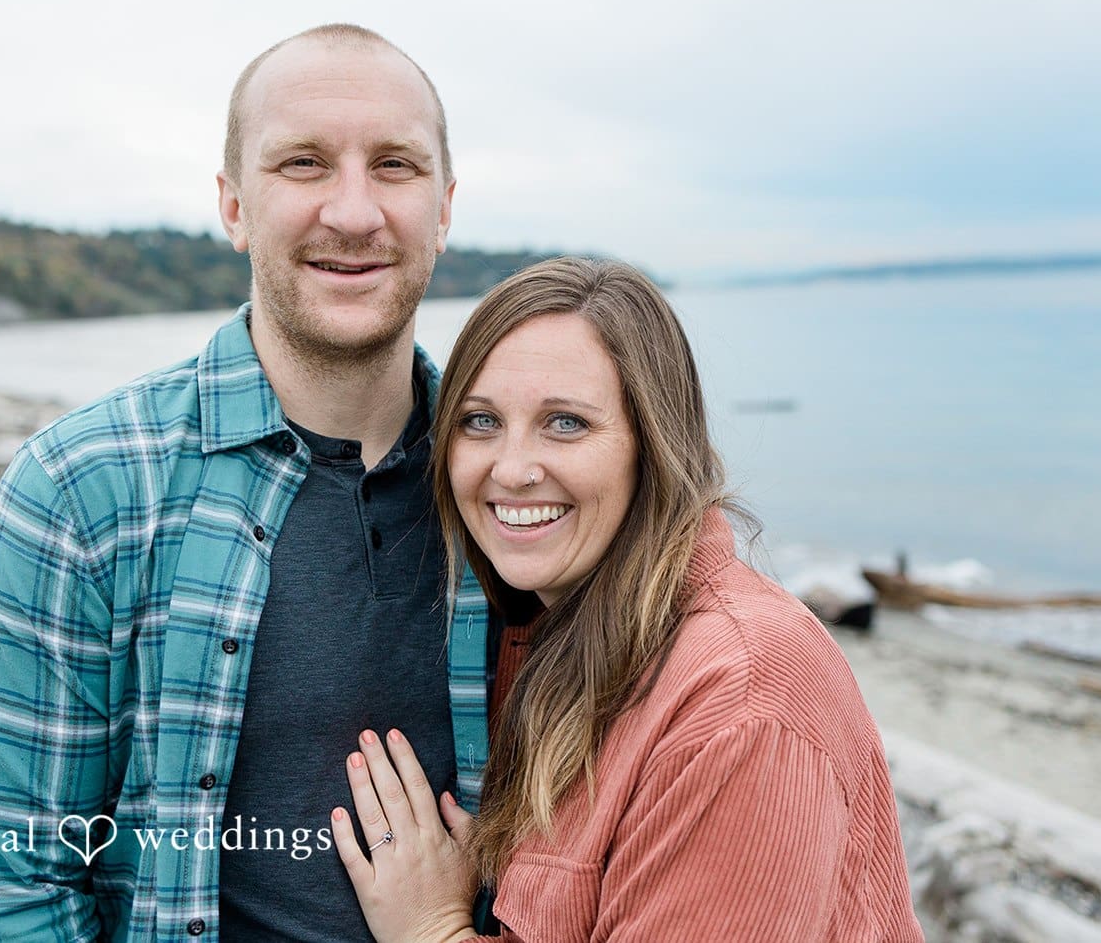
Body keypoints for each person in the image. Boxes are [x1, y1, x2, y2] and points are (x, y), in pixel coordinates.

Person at [0, 24, 494, 942]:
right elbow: (13, 882)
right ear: (234, 206)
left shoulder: (515, 496)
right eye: (305, 164)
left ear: (443, 208)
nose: (354, 212)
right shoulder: (78, 493)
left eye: (394, 164)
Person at [331, 257, 924, 941]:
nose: (513, 469)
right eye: (481, 420)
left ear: (654, 444)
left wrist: (432, 929)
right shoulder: (550, 628)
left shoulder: (743, 701)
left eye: (566, 424)